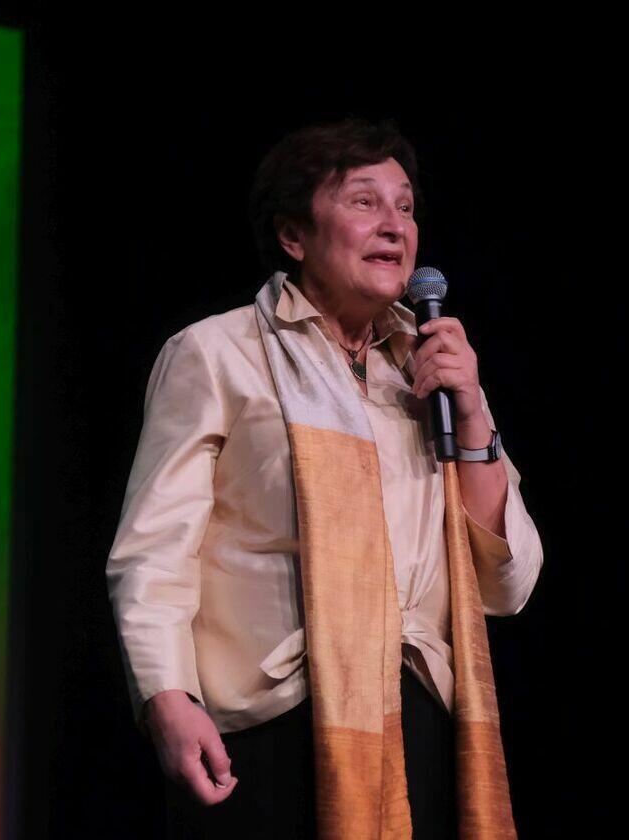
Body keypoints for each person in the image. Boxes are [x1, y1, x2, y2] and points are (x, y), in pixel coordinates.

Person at [106, 118, 543, 839]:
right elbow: (154, 552)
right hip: (276, 721)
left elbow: (507, 584)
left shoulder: (434, 372)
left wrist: (471, 420)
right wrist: (167, 697)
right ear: (293, 235)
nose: (394, 225)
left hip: (421, 723)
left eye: (405, 207)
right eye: (364, 201)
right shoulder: (217, 353)